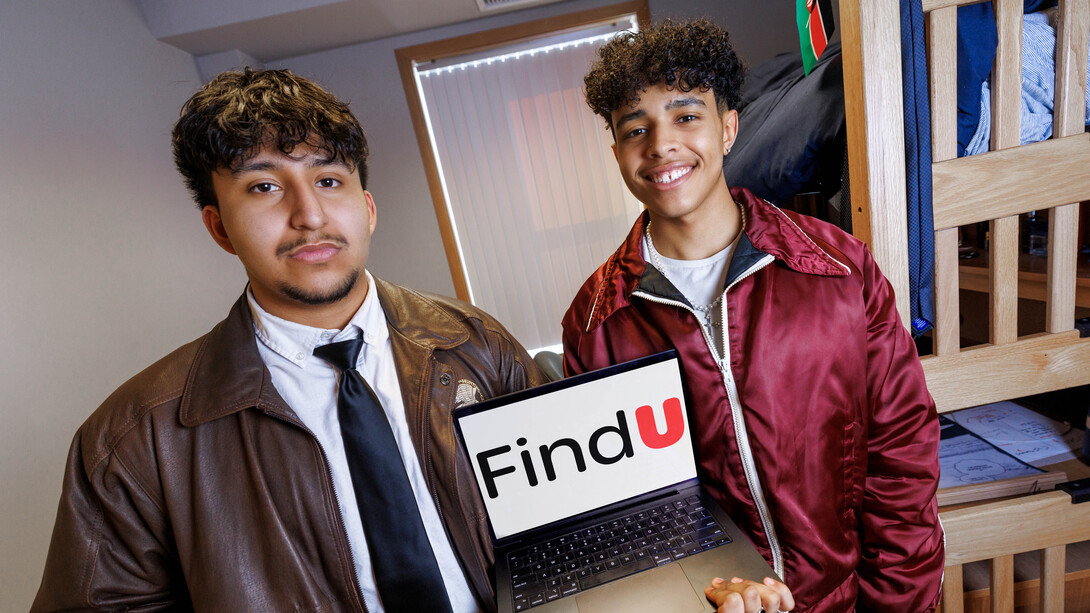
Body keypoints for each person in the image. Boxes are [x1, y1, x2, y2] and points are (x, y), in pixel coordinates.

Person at [32, 68, 547, 612]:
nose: (309, 216)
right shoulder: (136, 438)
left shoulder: (476, 344)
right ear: (220, 228)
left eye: (328, 180)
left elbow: (567, 512)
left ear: (367, 209)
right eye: (264, 187)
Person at [561, 19, 944, 613]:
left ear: (729, 126)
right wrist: (711, 592)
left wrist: (897, 604)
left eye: (686, 117)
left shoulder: (838, 268)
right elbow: (634, 516)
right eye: (637, 128)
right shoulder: (595, 323)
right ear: (617, 153)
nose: (662, 144)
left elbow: (902, 454)